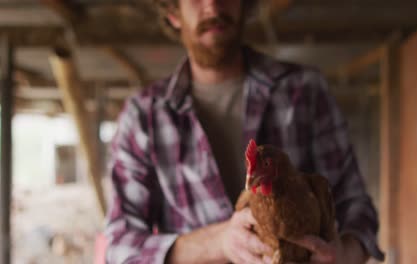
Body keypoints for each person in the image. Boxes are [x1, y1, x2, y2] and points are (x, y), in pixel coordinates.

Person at [105, 0, 385, 263]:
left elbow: (357, 210)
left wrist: (340, 254)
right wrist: (219, 242)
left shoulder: (304, 91)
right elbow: (120, 245)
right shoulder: (144, 116)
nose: (213, 5)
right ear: (173, 12)